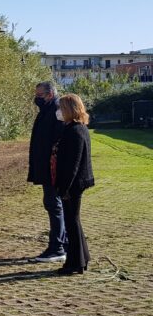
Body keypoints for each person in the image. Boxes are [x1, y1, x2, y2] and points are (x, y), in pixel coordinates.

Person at [53, 94, 94, 275]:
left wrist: (65, 188)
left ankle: (75, 263)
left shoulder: (75, 131)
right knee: (73, 221)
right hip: (74, 183)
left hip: (73, 184)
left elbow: (73, 163)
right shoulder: (75, 128)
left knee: (72, 222)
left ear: (69, 109)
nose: (59, 112)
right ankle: (82, 258)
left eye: (61, 108)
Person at [27, 81, 67, 262]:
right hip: (46, 166)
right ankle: (62, 243)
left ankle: (57, 247)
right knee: (53, 204)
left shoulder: (57, 110)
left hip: (53, 168)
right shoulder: (47, 110)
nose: (37, 98)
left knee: (54, 204)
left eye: (40, 95)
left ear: (50, 94)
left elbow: (60, 140)